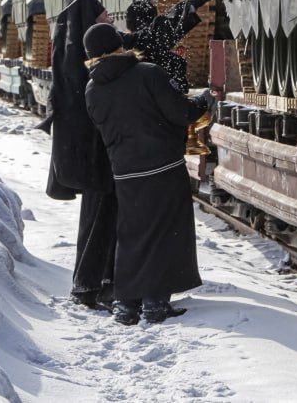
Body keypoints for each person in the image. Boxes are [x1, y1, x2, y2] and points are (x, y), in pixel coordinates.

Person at [82, 22, 214, 325]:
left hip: (126, 173)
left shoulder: (92, 89)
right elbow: (180, 113)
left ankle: (126, 303)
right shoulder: (147, 73)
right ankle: (155, 301)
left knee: (131, 235)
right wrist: (203, 102)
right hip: (163, 166)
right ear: (118, 45)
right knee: (167, 232)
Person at [36, 0, 116, 309]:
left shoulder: (71, 59)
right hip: (95, 155)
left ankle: (93, 284)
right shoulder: (82, 67)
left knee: (97, 218)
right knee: (100, 218)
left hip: (93, 154)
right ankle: (88, 286)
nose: (109, 18)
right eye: (102, 16)